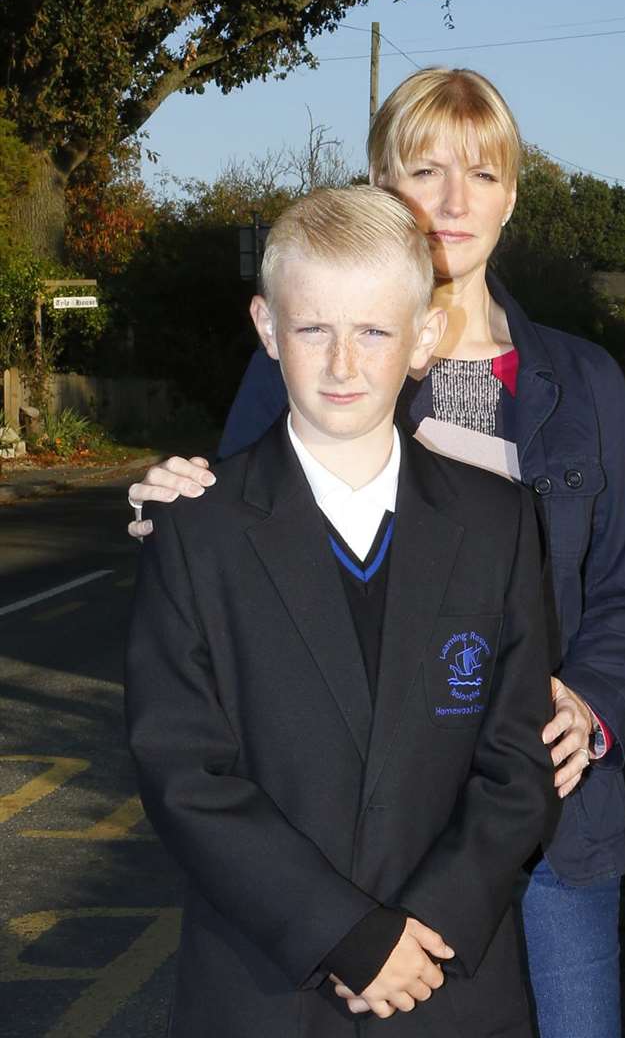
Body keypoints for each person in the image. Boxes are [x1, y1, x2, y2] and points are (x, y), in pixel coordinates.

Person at [124, 69, 625, 1038]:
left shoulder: (581, 382)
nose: (454, 201)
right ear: (381, 184)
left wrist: (586, 708)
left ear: (513, 193)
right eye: (425, 170)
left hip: (539, 818)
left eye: (483, 174)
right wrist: (166, 497)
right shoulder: (320, 356)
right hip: (342, 841)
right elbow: (245, 525)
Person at [127, 185, 561, 1036]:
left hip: (449, 983)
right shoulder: (197, 533)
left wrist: (424, 927)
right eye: (312, 328)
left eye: (373, 330)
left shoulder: (498, 521)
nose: (342, 364)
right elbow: (183, 773)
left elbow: (517, 762)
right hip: (263, 989)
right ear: (265, 328)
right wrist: (346, 934)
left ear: (424, 336)